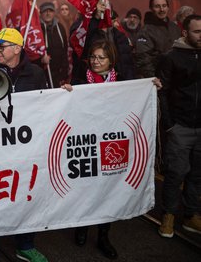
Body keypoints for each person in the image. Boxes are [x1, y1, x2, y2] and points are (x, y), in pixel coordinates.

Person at [0, 27, 48, 262]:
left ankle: (25, 244)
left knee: (27, 192)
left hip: (25, 147)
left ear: (17, 49)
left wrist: (64, 94)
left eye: (1, 47)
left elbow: (47, 104)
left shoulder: (36, 74)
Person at [62, 39, 127, 259]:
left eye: (101, 58)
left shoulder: (122, 81)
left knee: (107, 188)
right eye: (93, 57)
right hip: (88, 140)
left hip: (110, 142)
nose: (96, 61)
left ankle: (103, 235)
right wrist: (66, 92)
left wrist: (151, 84)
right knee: (86, 186)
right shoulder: (81, 79)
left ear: (111, 60)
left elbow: (135, 96)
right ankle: (82, 227)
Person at [157, 14, 201, 239]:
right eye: (197, 32)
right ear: (185, 33)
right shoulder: (171, 57)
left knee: (197, 174)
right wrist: (170, 124)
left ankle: (191, 215)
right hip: (180, 126)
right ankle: (169, 215)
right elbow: (162, 92)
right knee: (176, 173)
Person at [134, 0, 180, 78]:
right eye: (157, 6)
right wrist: (153, 78)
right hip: (159, 78)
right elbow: (143, 59)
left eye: (164, 6)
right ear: (151, 9)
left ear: (168, 8)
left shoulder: (175, 27)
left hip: (177, 76)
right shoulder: (145, 31)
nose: (162, 9)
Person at [39, 2, 69, 87]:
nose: (48, 13)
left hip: (58, 73)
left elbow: (65, 51)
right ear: (41, 13)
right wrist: (40, 60)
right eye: (45, 11)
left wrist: (64, 72)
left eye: (50, 11)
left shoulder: (60, 28)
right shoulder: (36, 30)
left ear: (54, 13)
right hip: (42, 72)